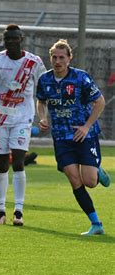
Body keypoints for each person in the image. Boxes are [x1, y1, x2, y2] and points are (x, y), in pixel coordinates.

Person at [36, 39, 111, 236]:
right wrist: (42, 118)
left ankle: (97, 170)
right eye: (54, 57)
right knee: (73, 178)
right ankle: (96, 224)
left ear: (69, 58)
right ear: (50, 58)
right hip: (61, 137)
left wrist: (86, 126)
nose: (57, 61)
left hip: (84, 135)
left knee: (90, 181)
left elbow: (100, 102)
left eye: (62, 57)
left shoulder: (81, 78)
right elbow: (41, 101)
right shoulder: (44, 80)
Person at [0, 24, 46, 226]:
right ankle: (0, 210)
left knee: (18, 160)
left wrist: (44, 113)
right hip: (0, 118)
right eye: (8, 39)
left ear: (21, 38)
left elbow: (44, 87)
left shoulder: (33, 62)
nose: (12, 42)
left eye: (15, 38)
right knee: (1, 163)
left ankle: (19, 210)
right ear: (4, 41)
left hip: (23, 118)